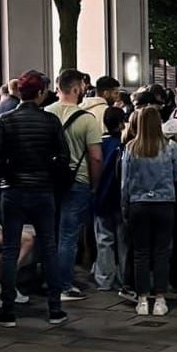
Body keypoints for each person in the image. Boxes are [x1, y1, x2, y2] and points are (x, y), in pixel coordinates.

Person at [0, 70, 70, 327]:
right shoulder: (50, 122)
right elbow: (63, 156)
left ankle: (8, 310)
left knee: (10, 249)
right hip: (43, 190)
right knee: (49, 247)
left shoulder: (5, 120)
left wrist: (7, 176)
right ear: (40, 93)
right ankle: (55, 308)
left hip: (12, 191)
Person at [46, 69, 103, 301]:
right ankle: (64, 285)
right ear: (78, 88)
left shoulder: (46, 114)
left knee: (49, 233)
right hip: (78, 181)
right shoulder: (87, 120)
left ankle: (48, 279)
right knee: (68, 235)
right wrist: (94, 184)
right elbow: (96, 157)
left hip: (49, 182)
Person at [121, 106, 177, 316]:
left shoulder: (131, 147)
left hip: (138, 203)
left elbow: (125, 182)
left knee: (140, 253)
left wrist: (124, 206)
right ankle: (161, 299)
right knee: (162, 252)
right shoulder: (171, 147)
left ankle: (143, 299)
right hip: (165, 203)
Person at [91, 107, 128, 292]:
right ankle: (123, 279)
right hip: (120, 199)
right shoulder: (125, 145)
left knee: (104, 240)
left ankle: (104, 278)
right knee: (123, 241)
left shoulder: (99, 144)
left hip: (100, 197)